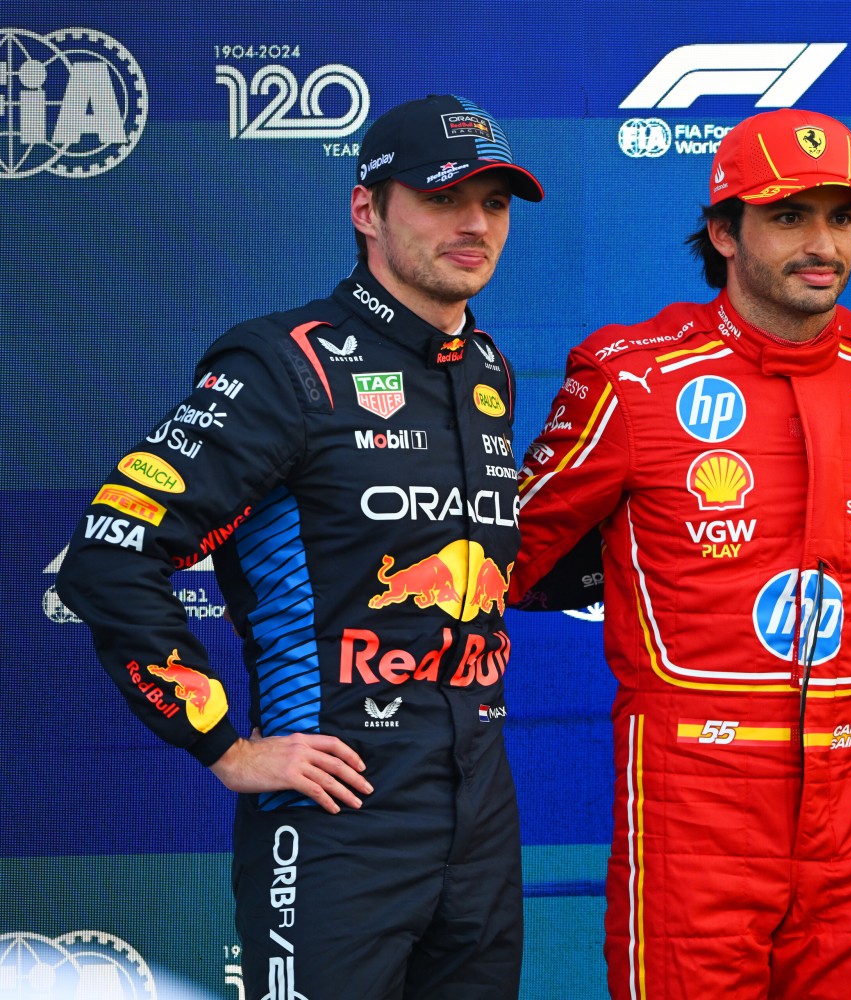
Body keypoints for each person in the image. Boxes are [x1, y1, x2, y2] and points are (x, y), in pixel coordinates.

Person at [57, 93, 543, 1000]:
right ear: (367, 210)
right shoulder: (283, 366)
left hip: (480, 812)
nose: (475, 224)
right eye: (443, 199)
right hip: (335, 815)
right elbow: (112, 555)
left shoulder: (487, 370)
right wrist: (226, 748)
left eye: (496, 201)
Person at [509, 108, 851, 998]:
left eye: (842, 217)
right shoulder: (633, 374)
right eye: (790, 216)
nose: (824, 244)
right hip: (692, 792)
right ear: (721, 232)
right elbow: (509, 552)